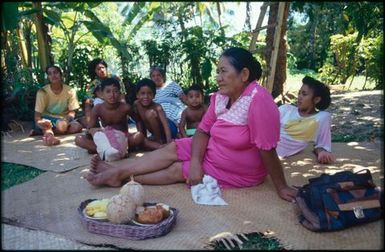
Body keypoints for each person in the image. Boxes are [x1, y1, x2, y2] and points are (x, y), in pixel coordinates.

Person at [86, 47, 297, 202]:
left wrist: (281, 187)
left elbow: (267, 149)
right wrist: (196, 161)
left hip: (237, 168)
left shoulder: (258, 100)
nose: (218, 77)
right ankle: (118, 172)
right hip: (213, 149)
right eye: (218, 71)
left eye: (224, 71)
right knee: (172, 148)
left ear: (243, 74)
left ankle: (121, 177)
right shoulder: (221, 98)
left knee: (178, 169)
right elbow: (203, 131)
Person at [75, 78, 144, 160]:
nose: (112, 95)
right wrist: (93, 132)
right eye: (108, 92)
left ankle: (106, 150)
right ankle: (114, 151)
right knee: (78, 139)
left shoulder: (125, 107)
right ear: (102, 94)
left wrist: (143, 135)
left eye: (115, 91)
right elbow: (90, 127)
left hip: (123, 138)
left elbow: (138, 120)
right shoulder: (98, 108)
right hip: (106, 139)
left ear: (119, 93)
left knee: (139, 136)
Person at [276, 76, 334, 164]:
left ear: (316, 99)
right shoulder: (286, 109)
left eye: (304, 94)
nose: (299, 97)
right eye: (299, 93)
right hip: (265, 145)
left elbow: (322, 144)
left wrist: (322, 153)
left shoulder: (322, 117)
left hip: (275, 153)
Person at [31, 65, 83, 146]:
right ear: (48, 77)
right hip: (47, 119)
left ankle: (41, 131)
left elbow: (72, 112)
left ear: (61, 75)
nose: (53, 75)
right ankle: (50, 138)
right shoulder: (42, 92)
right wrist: (40, 122)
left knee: (77, 127)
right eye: (50, 74)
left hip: (64, 118)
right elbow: (37, 116)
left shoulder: (70, 90)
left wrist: (66, 120)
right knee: (47, 126)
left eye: (55, 72)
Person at [81, 58, 126, 127]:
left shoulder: (116, 78)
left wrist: (124, 109)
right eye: (98, 69)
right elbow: (88, 100)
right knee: (96, 101)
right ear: (95, 71)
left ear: (106, 68)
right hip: (103, 105)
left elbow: (122, 94)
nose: (102, 70)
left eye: (103, 68)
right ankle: (99, 124)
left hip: (117, 102)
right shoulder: (93, 84)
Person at [133, 78, 173, 150]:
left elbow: (166, 126)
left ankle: (160, 142)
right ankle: (156, 143)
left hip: (170, 130)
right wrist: (142, 137)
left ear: (154, 95)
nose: (146, 96)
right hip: (155, 134)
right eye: (142, 93)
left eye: (149, 93)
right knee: (141, 140)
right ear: (137, 95)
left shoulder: (157, 107)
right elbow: (138, 121)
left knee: (150, 114)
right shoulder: (136, 105)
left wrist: (169, 142)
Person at [150, 66, 185, 138]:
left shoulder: (171, 84)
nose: (156, 78)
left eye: (158, 75)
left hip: (176, 115)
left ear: (163, 76)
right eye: (153, 76)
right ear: (151, 78)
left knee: (177, 131)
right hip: (162, 118)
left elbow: (184, 98)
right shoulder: (150, 91)